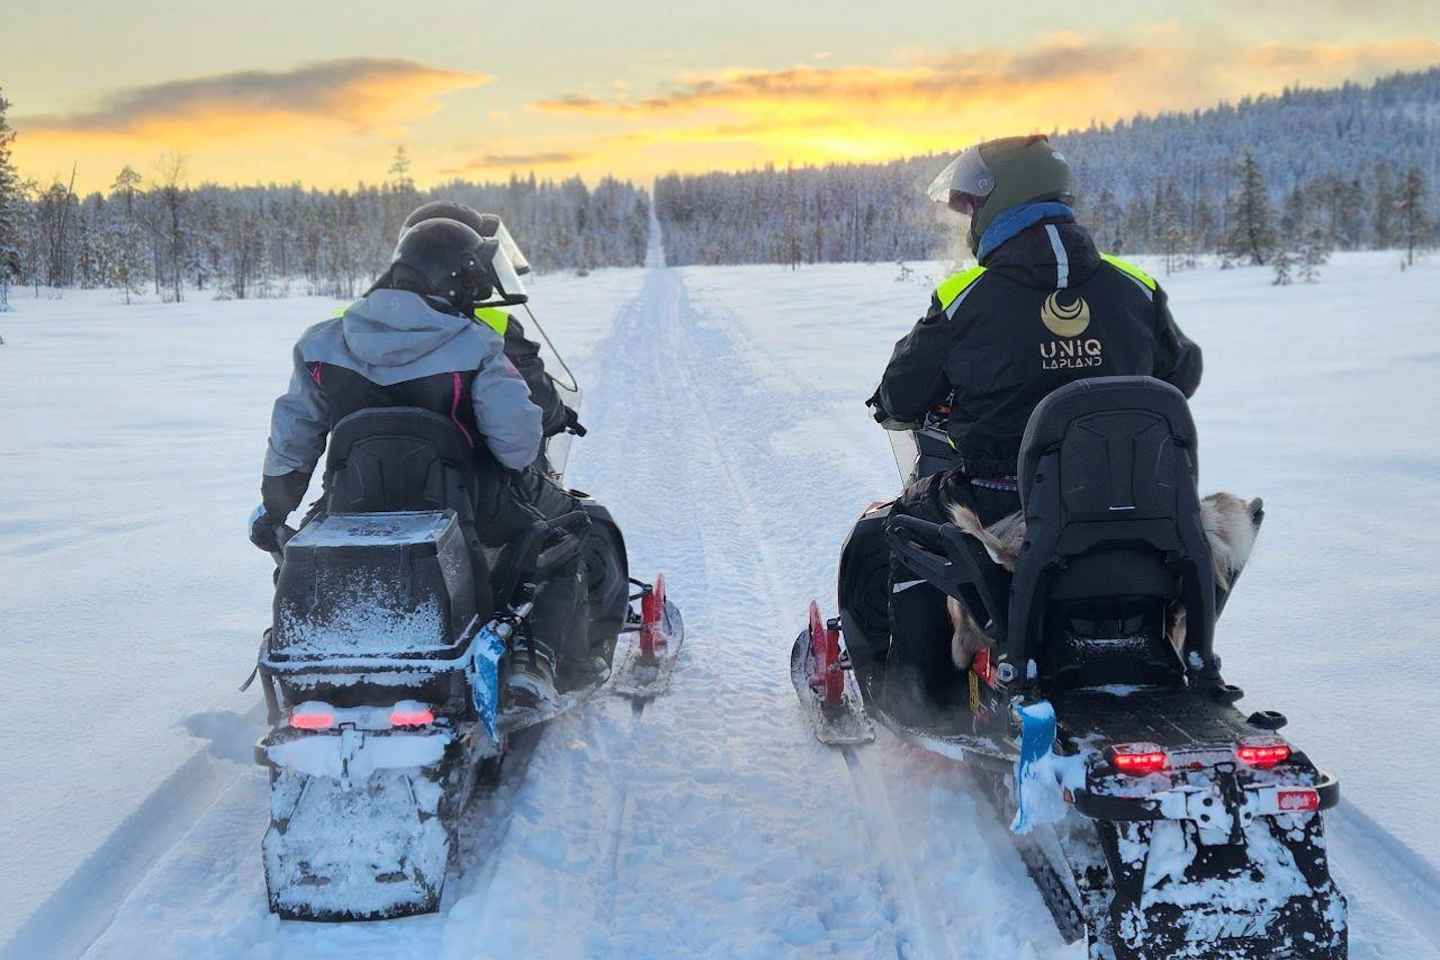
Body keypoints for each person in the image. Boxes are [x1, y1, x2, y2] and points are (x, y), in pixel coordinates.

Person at [867, 134, 1204, 722]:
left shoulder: (965, 299)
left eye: (972, 207)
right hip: (1137, 503)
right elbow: (1182, 372)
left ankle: (920, 702)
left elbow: (900, 395)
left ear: (998, 205)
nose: (968, 220)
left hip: (1002, 504)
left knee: (901, 531)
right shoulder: (1134, 286)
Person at [247, 217, 595, 700]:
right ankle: (532, 663)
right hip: (470, 506)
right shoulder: (477, 343)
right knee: (566, 534)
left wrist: (276, 508)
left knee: (299, 553)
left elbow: (293, 440)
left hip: (352, 504)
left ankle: (312, 648)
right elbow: (517, 448)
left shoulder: (321, 343)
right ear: (457, 280)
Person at [399, 201, 585, 449]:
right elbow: (538, 403)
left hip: (373, 460)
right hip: (465, 461)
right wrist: (558, 417)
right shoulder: (493, 326)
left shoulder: (363, 321)